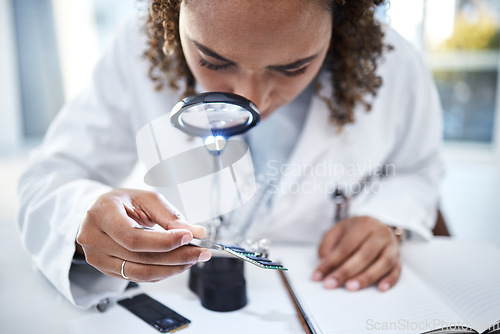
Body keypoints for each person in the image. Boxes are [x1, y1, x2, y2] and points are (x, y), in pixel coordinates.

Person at [18, 0, 443, 309]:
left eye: (292, 68)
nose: (250, 99)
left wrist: (389, 220)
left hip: (330, 301)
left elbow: (418, 171)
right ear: (172, 13)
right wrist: (83, 215)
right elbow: (49, 178)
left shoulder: (393, 64)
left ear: (342, 19)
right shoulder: (134, 50)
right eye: (214, 61)